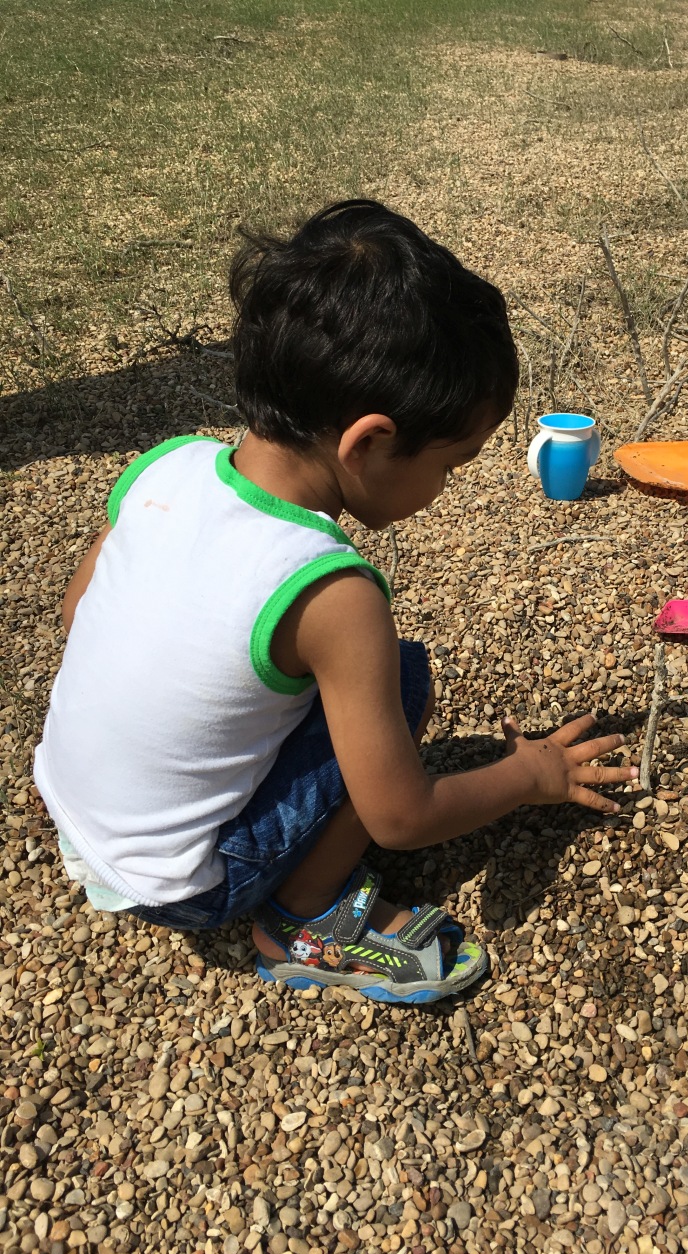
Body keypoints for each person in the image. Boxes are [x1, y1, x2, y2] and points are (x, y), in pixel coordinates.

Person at [34, 199, 638, 1005]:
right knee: (404, 678)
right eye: (450, 466)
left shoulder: (165, 465)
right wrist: (529, 773)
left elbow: (80, 618)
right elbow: (401, 815)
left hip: (75, 817)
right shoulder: (332, 590)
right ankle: (303, 916)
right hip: (184, 882)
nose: (445, 488)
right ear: (370, 443)